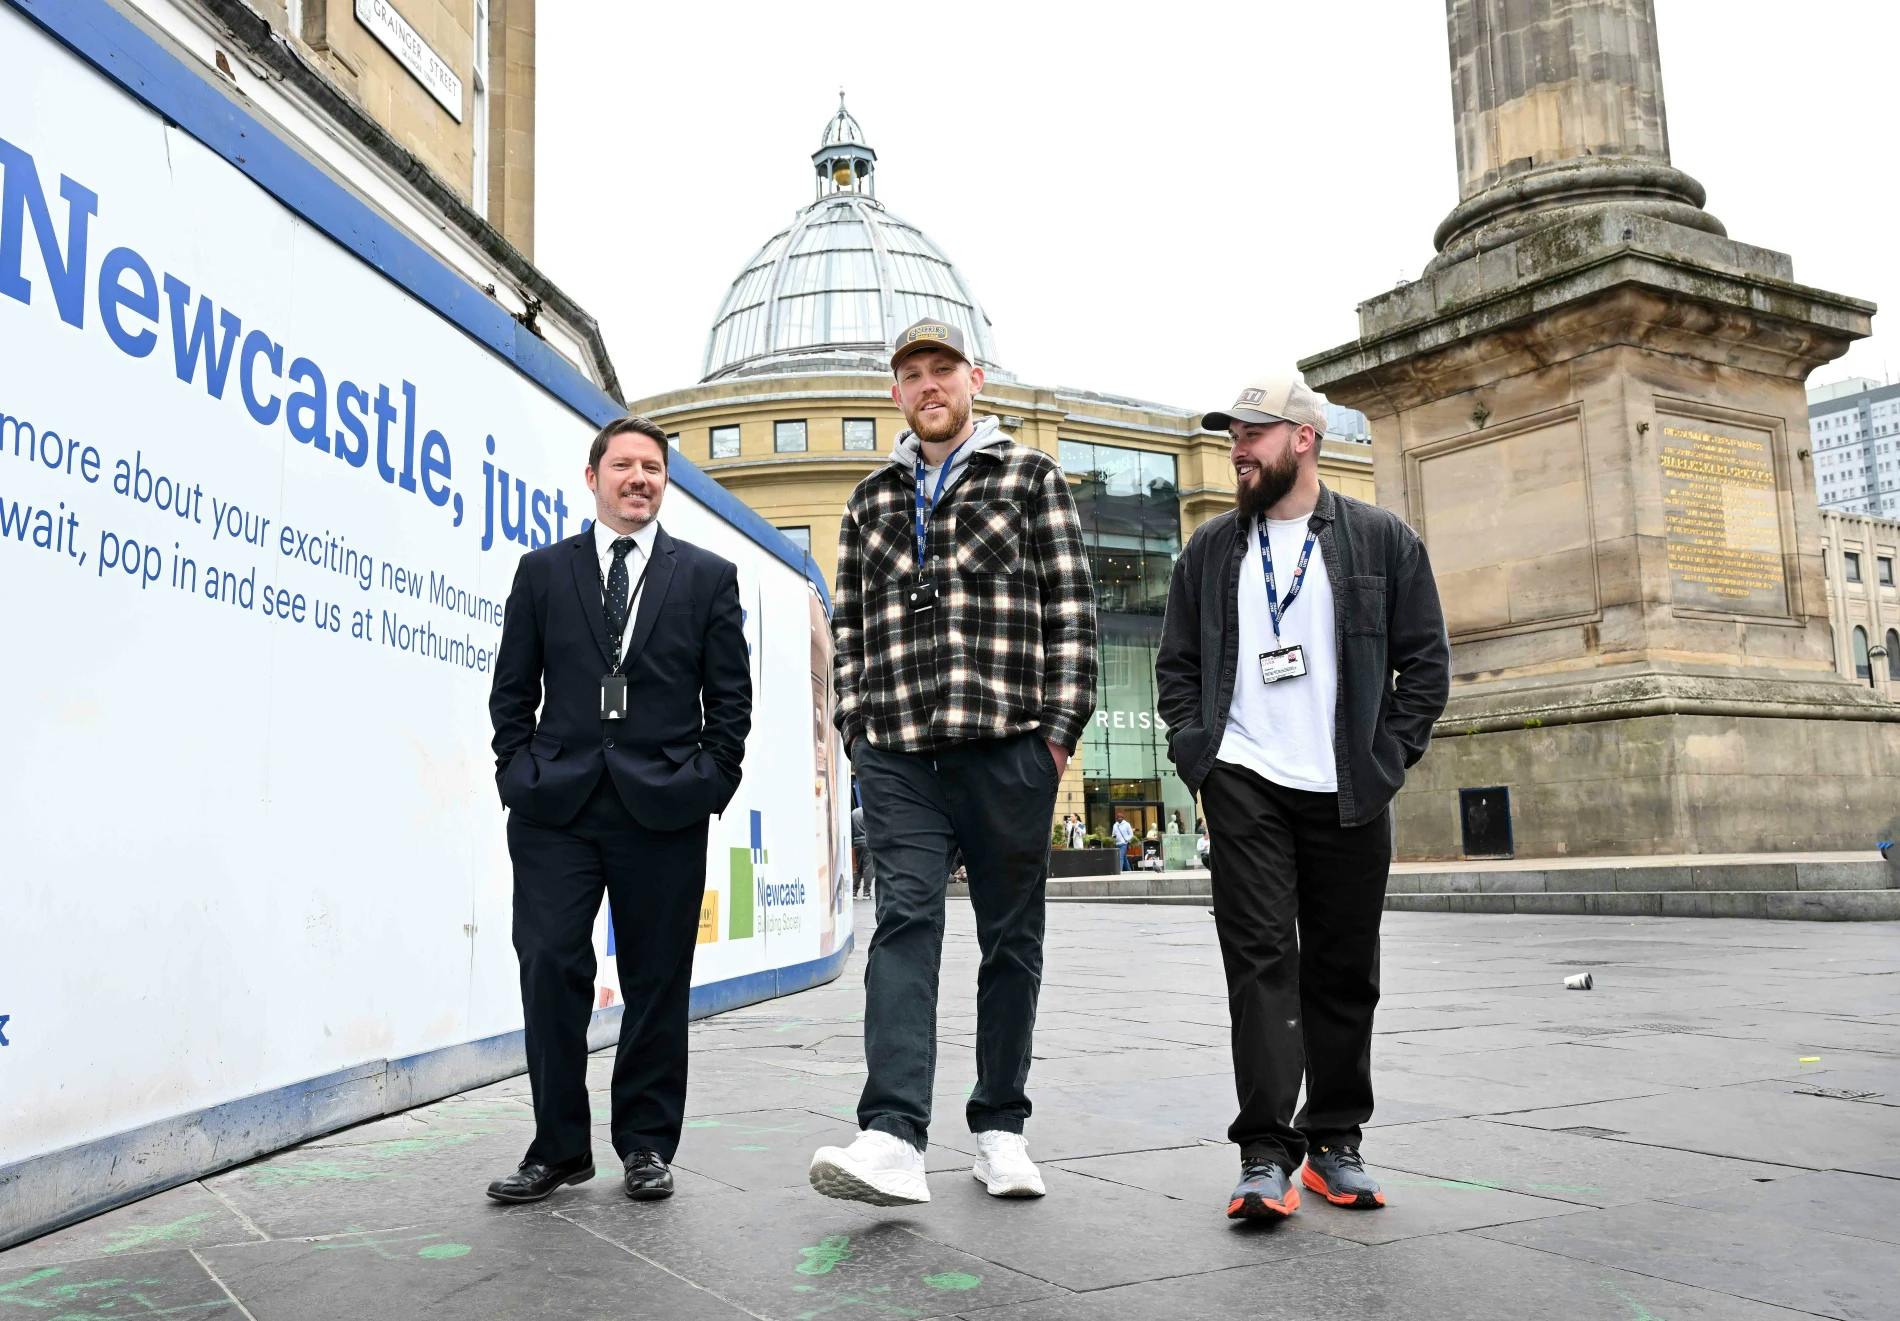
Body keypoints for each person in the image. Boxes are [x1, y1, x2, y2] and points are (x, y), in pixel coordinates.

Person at [809, 318, 1097, 1206]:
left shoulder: (1030, 478)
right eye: (912, 374)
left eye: (943, 369)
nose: (928, 385)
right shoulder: (869, 502)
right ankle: (893, 1136)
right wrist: (856, 726)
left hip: (1008, 745)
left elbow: (1072, 611)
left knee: (1010, 937)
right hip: (899, 751)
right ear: (896, 393)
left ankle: (1000, 1127)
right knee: (903, 921)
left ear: (974, 379)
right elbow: (850, 627)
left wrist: (1056, 736)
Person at [1156, 373, 1448, 1222]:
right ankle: (1264, 1153)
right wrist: (1201, 755)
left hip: (1348, 783)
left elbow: (1426, 664)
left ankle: (1334, 1142)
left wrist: (1387, 755)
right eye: (1233, 435)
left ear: (1304, 439)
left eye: (1253, 433)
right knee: (1259, 963)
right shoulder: (1211, 549)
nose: (1238, 449)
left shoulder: (1382, 540)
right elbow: (1178, 666)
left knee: (1344, 966)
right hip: (1244, 778)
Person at [486, 415, 751, 1205]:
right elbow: (511, 690)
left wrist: (709, 781)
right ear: (593, 476)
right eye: (625, 465)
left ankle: (645, 1143)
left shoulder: (707, 576)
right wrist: (516, 770)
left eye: (653, 468)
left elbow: (730, 702)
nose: (640, 478)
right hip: (555, 809)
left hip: (664, 809)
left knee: (657, 978)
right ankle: (558, 1147)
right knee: (549, 965)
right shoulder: (542, 571)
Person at [851, 804, 874, 898]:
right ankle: (866, 892)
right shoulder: (869, 811)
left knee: (858, 868)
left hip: (856, 842)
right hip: (867, 842)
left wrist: (852, 844)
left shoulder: (854, 813)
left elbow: (852, 830)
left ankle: (854, 891)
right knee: (868, 868)